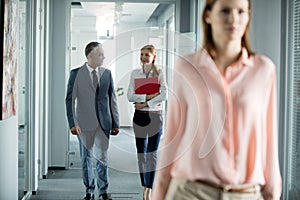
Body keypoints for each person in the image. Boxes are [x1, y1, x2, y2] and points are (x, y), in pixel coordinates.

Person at [152, 0, 282, 199]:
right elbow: (173, 135)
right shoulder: (186, 67)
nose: (234, 19)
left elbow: (268, 137)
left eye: (241, 11)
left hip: (245, 193)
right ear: (208, 15)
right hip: (190, 191)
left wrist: (273, 191)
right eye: (225, 11)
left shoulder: (263, 70)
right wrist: (159, 191)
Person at [65, 41, 119, 200]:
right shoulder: (75, 74)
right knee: (86, 158)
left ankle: (103, 191)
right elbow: (70, 100)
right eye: (100, 54)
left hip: (104, 123)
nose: (104, 57)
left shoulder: (107, 73)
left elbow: (112, 100)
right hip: (83, 123)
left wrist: (116, 122)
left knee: (102, 158)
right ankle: (89, 191)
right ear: (90, 56)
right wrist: (72, 123)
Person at [127, 44, 167, 200]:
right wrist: (150, 97)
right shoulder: (135, 74)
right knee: (141, 154)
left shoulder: (160, 74)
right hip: (140, 118)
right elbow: (130, 96)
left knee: (152, 154)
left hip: (156, 116)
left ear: (154, 57)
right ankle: (145, 183)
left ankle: (149, 188)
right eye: (142, 54)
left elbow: (164, 95)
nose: (143, 58)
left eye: (147, 55)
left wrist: (144, 102)